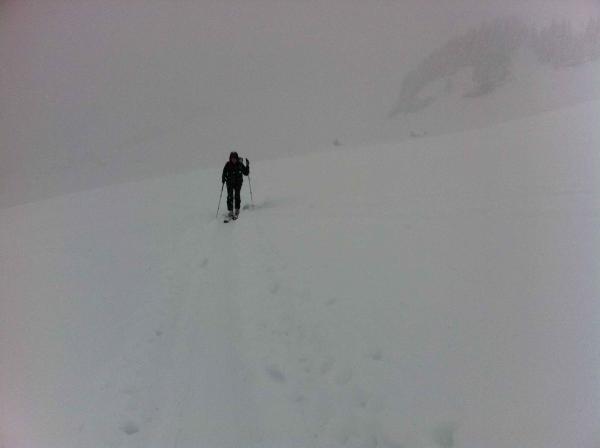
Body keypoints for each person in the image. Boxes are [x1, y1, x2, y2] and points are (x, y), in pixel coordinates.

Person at [221, 151, 249, 219]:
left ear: (237, 158)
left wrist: (247, 165)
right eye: (232, 158)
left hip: (238, 183)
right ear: (230, 158)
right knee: (230, 196)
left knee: (237, 195)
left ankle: (237, 209)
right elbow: (224, 172)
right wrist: (223, 179)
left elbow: (246, 173)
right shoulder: (228, 164)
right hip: (229, 183)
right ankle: (230, 211)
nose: (233, 160)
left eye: (234, 158)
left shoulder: (240, 164)